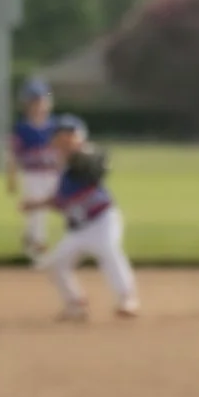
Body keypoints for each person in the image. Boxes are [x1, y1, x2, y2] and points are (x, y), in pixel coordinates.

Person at [36, 114, 139, 322]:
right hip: (79, 229)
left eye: (69, 135)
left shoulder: (86, 159)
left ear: (79, 138)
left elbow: (98, 164)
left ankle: (127, 299)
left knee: (108, 251)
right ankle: (75, 304)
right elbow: (60, 201)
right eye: (61, 136)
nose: (65, 140)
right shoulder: (63, 170)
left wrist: (80, 150)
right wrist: (34, 204)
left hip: (103, 219)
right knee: (54, 265)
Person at [8, 77, 60, 259]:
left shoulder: (55, 126)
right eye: (34, 101)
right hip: (32, 174)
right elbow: (13, 155)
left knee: (49, 208)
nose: (38, 105)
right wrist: (12, 178)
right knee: (37, 211)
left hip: (53, 174)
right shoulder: (22, 128)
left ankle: (31, 240)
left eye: (42, 101)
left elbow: (62, 153)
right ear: (27, 104)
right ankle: (38, 246)